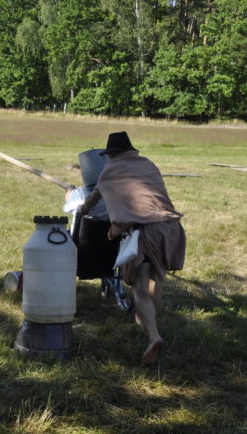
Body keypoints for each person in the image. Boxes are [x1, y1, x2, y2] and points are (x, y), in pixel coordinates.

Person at [80, 131, 186, 366]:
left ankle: (153, 335)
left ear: (112, 154)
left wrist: (83, 210)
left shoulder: (110, 170)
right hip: (168, 227)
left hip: (143, 231)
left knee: (139, 285)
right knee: (156, 279)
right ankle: (150, 321)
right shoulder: (147, 164)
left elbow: (95, 198)